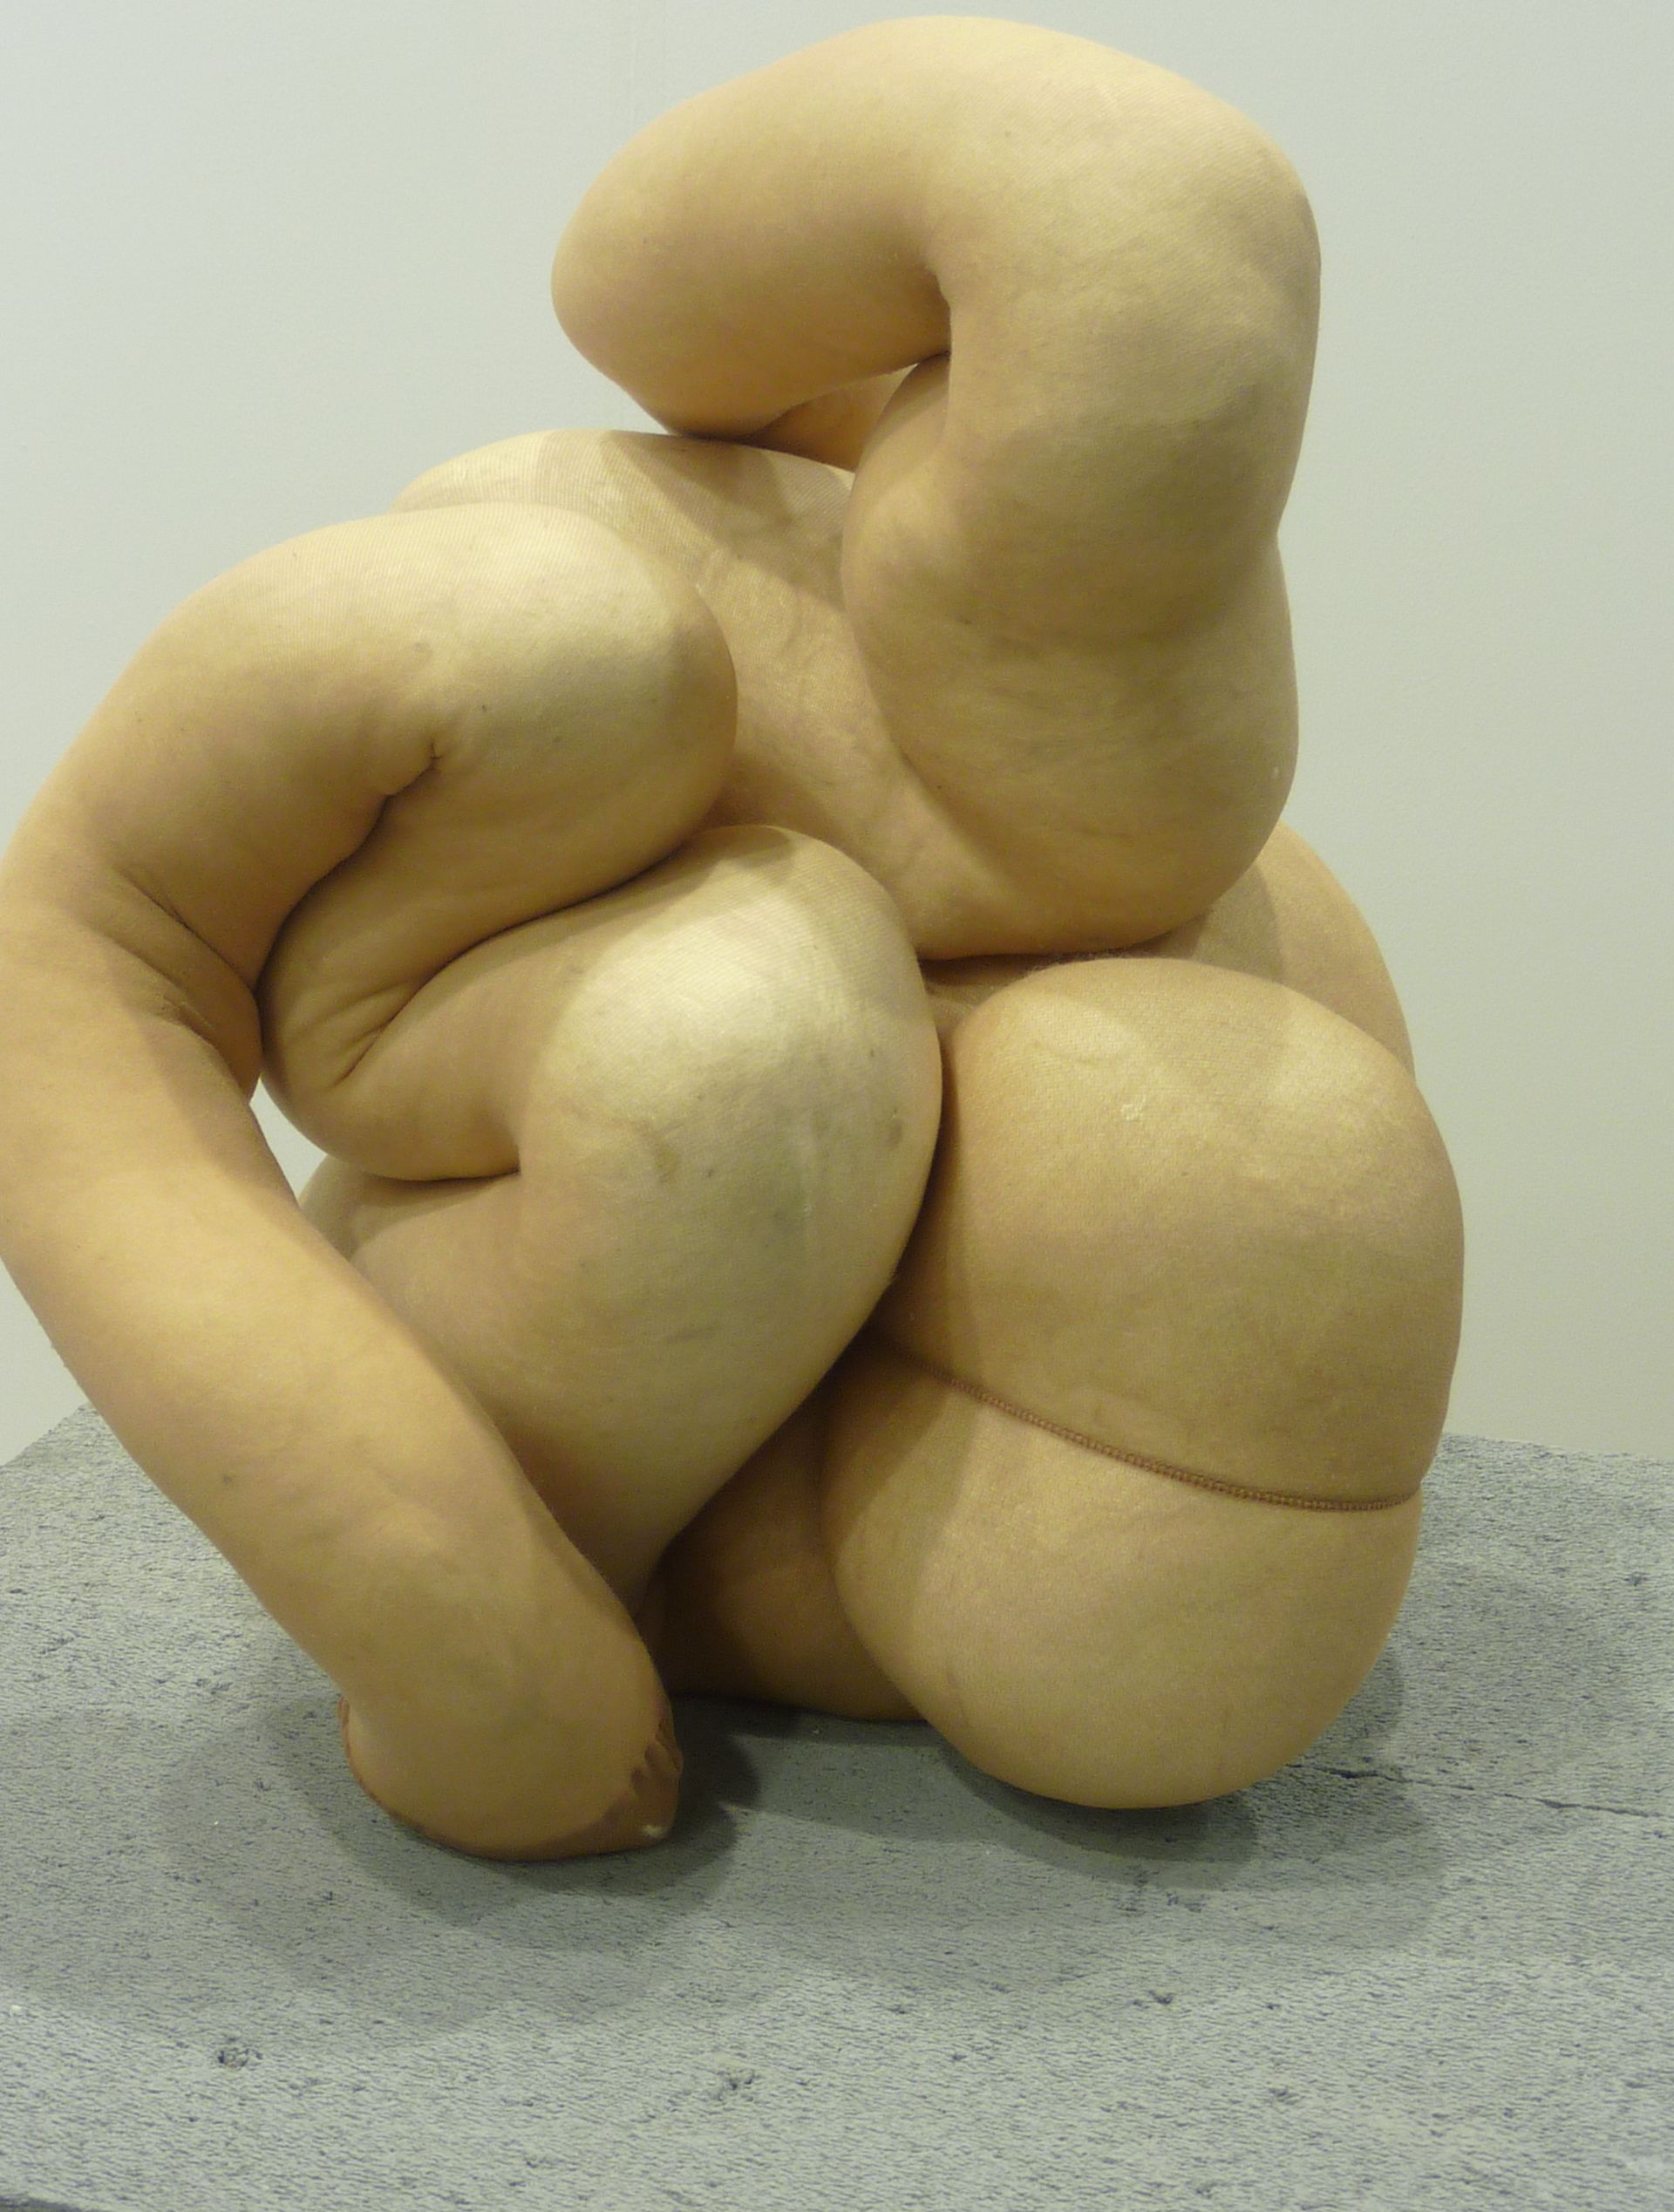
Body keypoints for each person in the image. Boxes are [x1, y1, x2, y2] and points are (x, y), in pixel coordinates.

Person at [0, 18, 1463, 1860]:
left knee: (1217, 1216)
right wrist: (472, 1636)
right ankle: (649, 1533)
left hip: (998, 1309)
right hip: (606, 1299)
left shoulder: (961, 684)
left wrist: (486, 1688)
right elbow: (73, 987)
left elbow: (649, 289)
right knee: (733, 1037)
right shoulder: (470, 619)